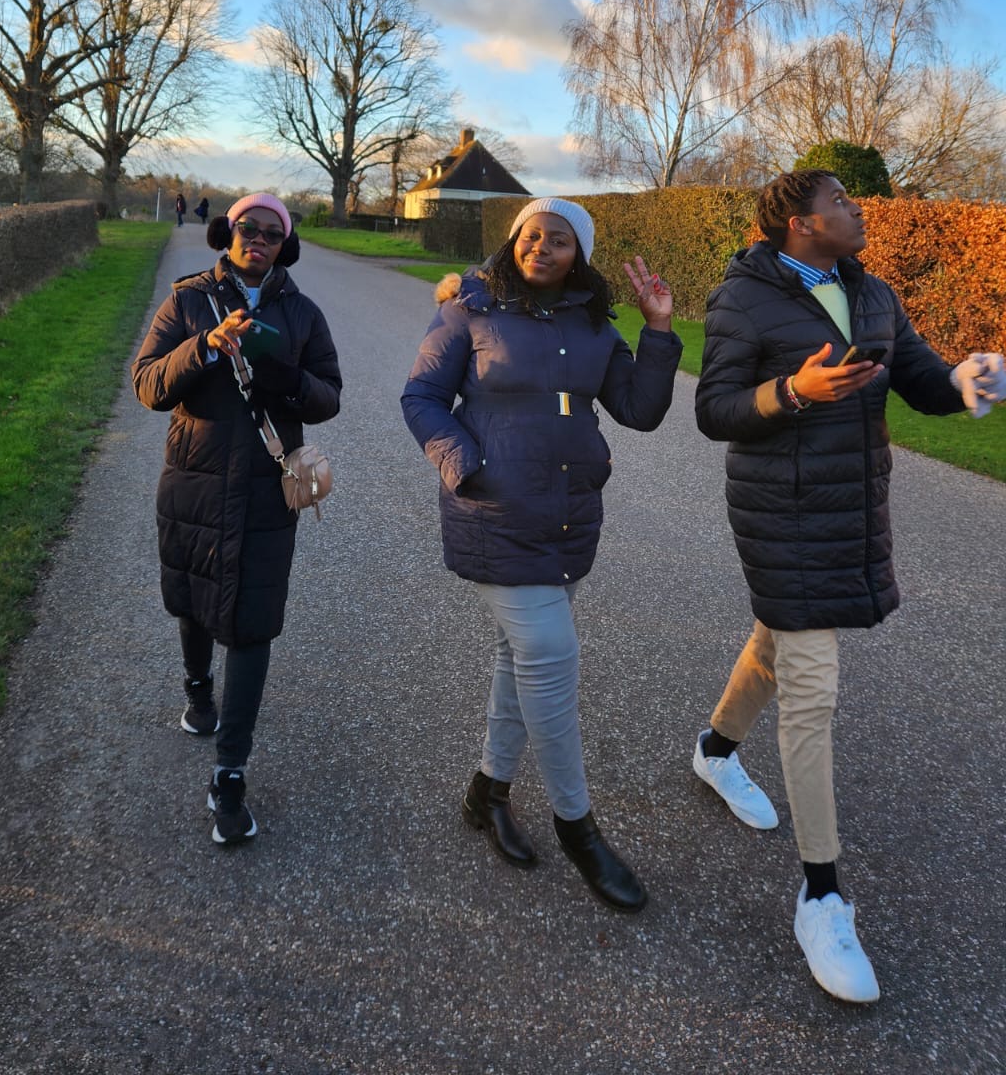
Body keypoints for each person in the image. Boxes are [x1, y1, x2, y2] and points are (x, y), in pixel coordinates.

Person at [691, 169, 1005, 1003]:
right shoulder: (743, 299)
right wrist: (793, 390)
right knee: (812, 684)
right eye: (843, 204)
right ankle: (821, 895)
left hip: (850, 507)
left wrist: (970, 384)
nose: (858, 210)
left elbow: (924, 386)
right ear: (800, 224)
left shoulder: (874, 295)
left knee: (779, 640)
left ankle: (715, 750)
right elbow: (715, 408)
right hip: (779, 510)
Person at [401, 197, 682, 911]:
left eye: (559, 240)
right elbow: (422, 396)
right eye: (532, 235)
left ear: (577, 256)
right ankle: (579, 830)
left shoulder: (595, 324)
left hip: (568, 518)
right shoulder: (471, 308)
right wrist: (465, 464)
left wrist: (658, 329)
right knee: (551, 658)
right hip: (494, 514)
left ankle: (485, 795)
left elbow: (641, 410)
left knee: (518, 659)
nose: (542, 247)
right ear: (514, 242)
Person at [132, 193, 341, 844]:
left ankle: (230, 772)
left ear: (285, 244)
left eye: (271, 233)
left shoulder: (302, 314)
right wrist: (206, 348)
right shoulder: (189, 298)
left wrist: (284, 377)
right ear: (227, 233)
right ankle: (198, 690)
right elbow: (147, 385)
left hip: (265, 492)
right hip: (193, 482)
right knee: (193, 601)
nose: (257, 239)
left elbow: (329, 395)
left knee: (252, 624)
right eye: (247, 228)